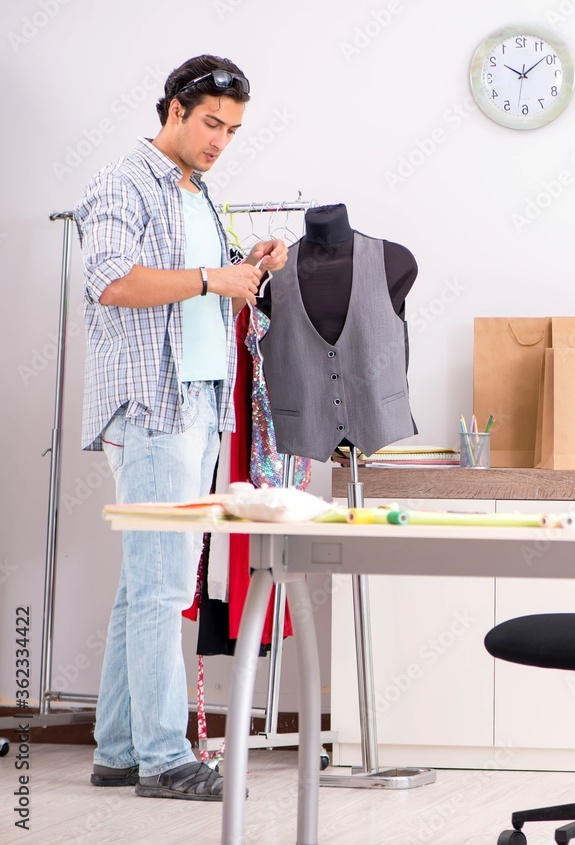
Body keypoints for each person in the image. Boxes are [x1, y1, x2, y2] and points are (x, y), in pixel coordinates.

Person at [75, 54, 288, 801]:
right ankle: (167, 759)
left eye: (231, 129)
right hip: (151, 406)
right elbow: (110, 279)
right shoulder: (122, 183)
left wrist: (243, 266)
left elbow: (207, 286)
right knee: (164, 590)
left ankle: (119, 748)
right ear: (173, 108)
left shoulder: (201, 194)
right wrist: (211, 278)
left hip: (195, 402)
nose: (220, 140)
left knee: (148, 586)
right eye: (210, 123)